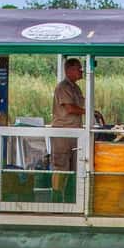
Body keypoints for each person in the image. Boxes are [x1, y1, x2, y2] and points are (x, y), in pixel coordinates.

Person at [51, 57, 87, 199]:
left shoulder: (75, 88)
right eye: (79, 69)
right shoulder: (63, 87)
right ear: (69, 70)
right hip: (63, 132)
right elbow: (70, 108)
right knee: (61, 166)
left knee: (74, 166)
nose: (81, 72)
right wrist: (89, 112)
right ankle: (57, 199)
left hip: (75, 132)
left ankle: (72, 199)